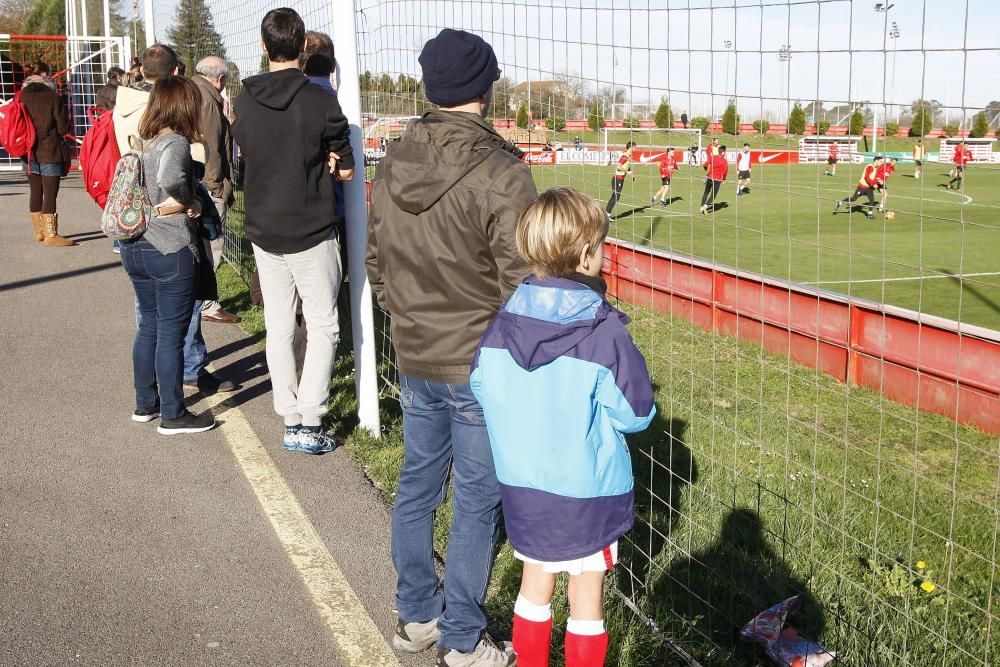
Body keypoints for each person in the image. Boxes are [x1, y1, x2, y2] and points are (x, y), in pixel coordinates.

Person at [366, 27, 537, 666]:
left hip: (416, 353)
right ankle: (462, 636)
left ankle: (417, 615)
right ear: (485, 88)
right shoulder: (501, 172)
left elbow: (376, 262)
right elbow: (525, 280)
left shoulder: (393, 160)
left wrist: (407, 318)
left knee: (418, 484)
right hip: (477, 362)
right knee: (475, 498)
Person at [470, 187, 655, 667]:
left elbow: (480, 385)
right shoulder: (604, 332)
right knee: (587, 598)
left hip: (523, 486)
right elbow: (637, 415)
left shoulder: (500, 325)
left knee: (534, 586)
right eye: (601, 245)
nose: (605, 253)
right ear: (585, 254)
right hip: (587, 494)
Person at [232, 8, 354, 455]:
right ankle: (310, 416)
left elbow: (247, 157)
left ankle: (289, 412)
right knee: (323, 326)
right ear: (303, 48)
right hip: (310, 229)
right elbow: (346, 171)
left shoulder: (244, 100)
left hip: (265, 228)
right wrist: (330, 165)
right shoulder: (320, 100)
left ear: (264, 46)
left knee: (279, 325)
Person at [114, 44, 236, 394]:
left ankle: (148, 391)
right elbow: (178, 171)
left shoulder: (124, 108)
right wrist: (194, 198)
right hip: (170, 224)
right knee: (181, 313)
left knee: (149, 318)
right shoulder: (174, 126)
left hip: (135, 217)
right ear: (177, 75)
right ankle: (184, 380)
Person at [118, 76, 217, 435]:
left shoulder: (146, 141)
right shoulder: (175, 142)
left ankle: (146, 403)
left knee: (149, 326)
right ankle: (173, 414)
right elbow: (173, 178)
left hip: (137, 245)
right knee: (172, 335)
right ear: (184, 106)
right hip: (169, 247)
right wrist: (189, 200)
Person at [192, 55, 239, 325]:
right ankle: (208, 303)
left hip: (197, 181)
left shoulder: (192, 90)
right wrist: (217, 187)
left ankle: (202, 298)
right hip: (209, 185)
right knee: (213, 243)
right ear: (219, 79)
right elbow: (211, 147)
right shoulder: (209, 101)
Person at [19, 61, 74, 246]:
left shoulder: (22, 96)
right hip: (49, 150)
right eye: (50, 74)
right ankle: (51, 236)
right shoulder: (53, 97)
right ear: (44, 75)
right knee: (50, 193)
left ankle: (39, 232)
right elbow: (62, 128)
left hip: (28, 152)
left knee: (35, 191)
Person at [834, 155, 883, 219]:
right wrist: (873, 184)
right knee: (853, 199)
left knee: (872, 200)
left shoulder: (875, 168)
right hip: (862, 187)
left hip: (868, 188)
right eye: (880, 161)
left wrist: (879, 182)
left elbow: (873, 178)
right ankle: (839, 202)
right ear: (876, 160)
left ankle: (870, 214)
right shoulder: (870, 167)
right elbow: (866, 177)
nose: (881, 163)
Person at [604, 141, 635, 215]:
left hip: (620, 179)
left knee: (615, 196)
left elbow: (626, 166)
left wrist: (632, 175)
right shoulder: (625, 156)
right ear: (630, 147)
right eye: (634, 147)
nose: (635, 149)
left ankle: (607, 213)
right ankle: (607, 214)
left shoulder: (628, 156)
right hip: (617, 179)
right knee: (616, 197)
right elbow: (618, 166)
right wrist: (627, 172)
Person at [700, 143, 728, 213]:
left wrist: (705, 168)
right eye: (725, 152)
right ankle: (705, 206)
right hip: (717, 179)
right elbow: (725, 171)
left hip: (709, 178)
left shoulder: (713, 157)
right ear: (723, 152)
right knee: (713, 195)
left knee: (706, 192)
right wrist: (724, 179)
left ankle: (701, 207)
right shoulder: (724, 161)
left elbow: (705, 164)